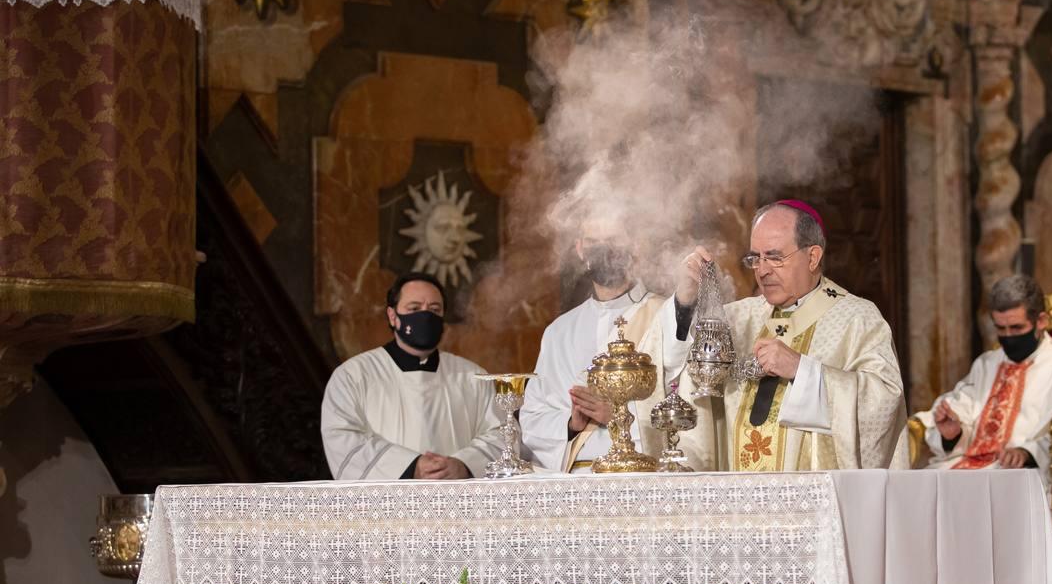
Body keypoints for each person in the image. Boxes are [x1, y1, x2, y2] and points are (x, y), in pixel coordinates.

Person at [661, 200, 906, 471]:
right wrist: (685, 303)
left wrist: (803, 372)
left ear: (813, 257)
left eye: (775, 257)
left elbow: (884, 405)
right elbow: (675, 376)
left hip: (815, 504)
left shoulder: (857, 319)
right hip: (737, 503)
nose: (762, 271)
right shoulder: (735, 320)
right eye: (756, 258)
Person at [913, 274, 1052, 511]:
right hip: (972, 466)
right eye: (1001, 328)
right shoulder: (986, 364)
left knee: (989, 500)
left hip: (1031, 472)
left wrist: (1028, 452)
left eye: (1016, 328)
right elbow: (963, 405)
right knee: (921, 491)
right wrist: (954, 432)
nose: (1008, 337)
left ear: (1041, 321)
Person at [320, 271, 501, 480]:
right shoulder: (353, 376)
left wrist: (464, 464)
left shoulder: (473, 376)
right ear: (392, 316)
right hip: (387, 506)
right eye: (414, 308)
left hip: (458, 502)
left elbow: (500, 435)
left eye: (435, 309)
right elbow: (342, 438)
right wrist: (410, 466)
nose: (426, 316)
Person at [520, 219, 668, 472]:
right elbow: (533, 416)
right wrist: (570, 424)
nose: (603, 249)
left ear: (636, 245)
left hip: (642, 476)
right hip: (575, 481)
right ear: (579, 249)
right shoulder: (559, 331)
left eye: (613, 240)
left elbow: (682, 404)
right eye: (593, 242)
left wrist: (618, 417)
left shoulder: (665, 316)